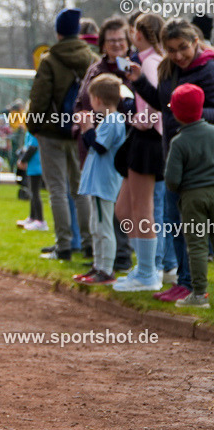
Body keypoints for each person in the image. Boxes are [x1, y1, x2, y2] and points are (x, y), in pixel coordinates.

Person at [129, 19, 214, 302]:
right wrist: (140, 81)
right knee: (172, 221)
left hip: (200, 165)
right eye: (171, 50)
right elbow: (162, 101)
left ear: (195, 41)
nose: (178, 55)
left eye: (183, 48)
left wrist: (194, 114)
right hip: (172, 156)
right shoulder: (169, 68)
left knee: (193, 230)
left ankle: (192, 285)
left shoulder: (209, 69)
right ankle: (183, 281)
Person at [27, 8, 98, 261]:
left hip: (52, 132)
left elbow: (39, 98)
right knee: (81, 189)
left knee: (57, 189)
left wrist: (32, 125)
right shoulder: (91, 59)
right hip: (80, 130)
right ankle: (90, 244)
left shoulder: (49, 60)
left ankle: (64, 245)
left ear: (58, 32)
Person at [112, 12, 166, 292]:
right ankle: (143, 267)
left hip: (149, 140)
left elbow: (158, 103)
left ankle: (148, 272)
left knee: (142, 208)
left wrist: (137, 115)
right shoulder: (143, 62)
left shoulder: (153, 62)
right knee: (124, 209)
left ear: (139, 33)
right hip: (140, 137)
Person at [74, 16, 134, 269]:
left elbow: (134, 106)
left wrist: (91, 129)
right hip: (93, 146)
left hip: (115, 149)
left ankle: (116, 259)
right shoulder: (95, 70)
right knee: (99, 217)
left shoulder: (132, 69)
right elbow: (80, 101)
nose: (116, 44)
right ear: (102, 44)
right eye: (111, 41)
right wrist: (81, 126)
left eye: (120, 39)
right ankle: (101, 261)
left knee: (113, 210)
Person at [164, 83, 214, 308]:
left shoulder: (179, 141)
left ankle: (200, 295)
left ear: (176, 113)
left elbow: (172, 179)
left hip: (193, 198)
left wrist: (179, 189)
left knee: (197, 246)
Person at [74, 74, 127, 285]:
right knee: (96, 226)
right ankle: (98, 265)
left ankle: (106, 269)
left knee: (103, 227)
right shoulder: (110, 120)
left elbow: (99, 146)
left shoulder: (113, 120)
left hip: (104, 182)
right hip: (99, 182)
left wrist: (86, 128)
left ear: (98, 99)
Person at [15, 131, 46, 231]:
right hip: (33, 167)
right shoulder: (30, 131)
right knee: (32, 192)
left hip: (35, 166)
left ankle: (40, 220)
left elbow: (32, 147)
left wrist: (23, 160)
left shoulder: (33, 130)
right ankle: (32, 217)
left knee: (35, 193)